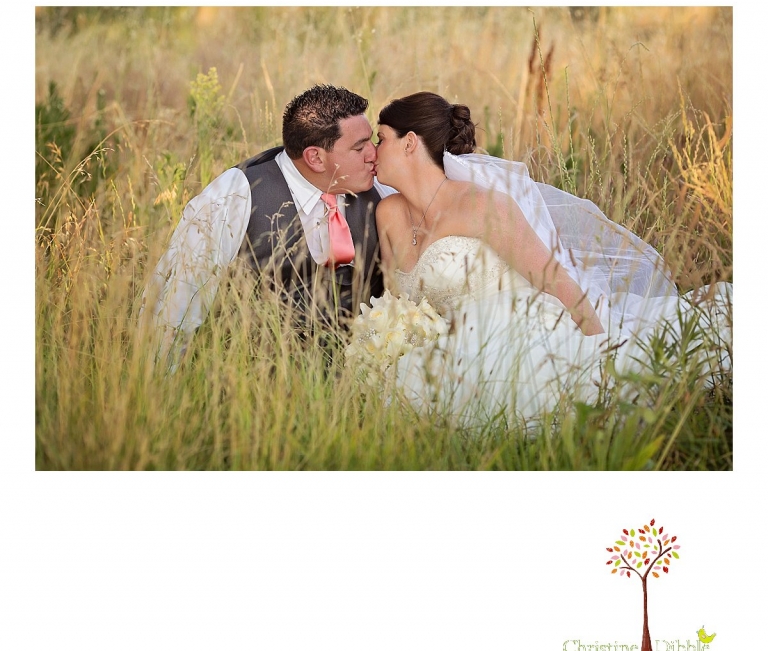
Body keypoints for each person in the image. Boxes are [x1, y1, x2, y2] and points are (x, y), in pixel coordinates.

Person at [355, 91, 732, 426]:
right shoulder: (389, 213)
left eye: (380, 138)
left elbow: (554, 278)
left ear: (409, 143)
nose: (372, 150)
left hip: (518, 331)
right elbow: (398, 304)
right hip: (449, 346)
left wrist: (600, 349)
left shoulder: (482, 206)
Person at [140, 84, 389, 370]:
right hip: (255, 385)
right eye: (359, 147)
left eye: (371, 140)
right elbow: (179, 303)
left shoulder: (381, 186)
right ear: (315, 158)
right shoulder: (235, 195)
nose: (374, 154)